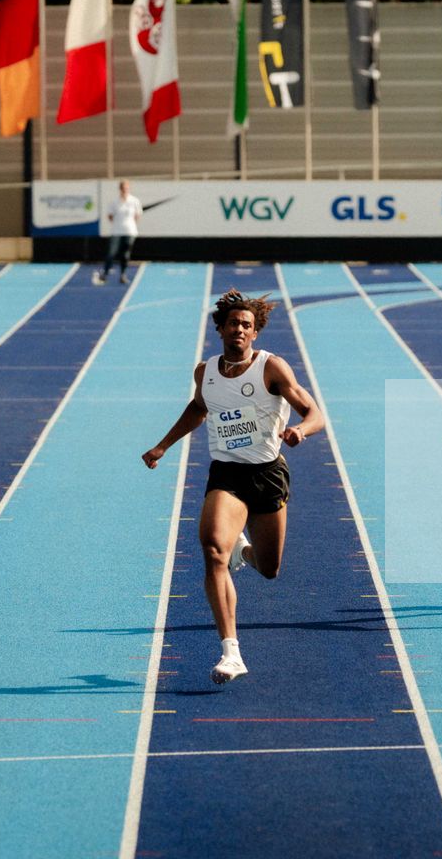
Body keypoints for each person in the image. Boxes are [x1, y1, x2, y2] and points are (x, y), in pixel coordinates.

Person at [141, 289, 326, 685]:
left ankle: (246, 551)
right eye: (233, 324)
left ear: (254, 332)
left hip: (267, 474)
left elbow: (315, 412)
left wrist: (300, 430)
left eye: (246, 325)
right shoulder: (204, 371)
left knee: (270, 568)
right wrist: (163, 445)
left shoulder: (272, 368)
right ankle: (231, 652)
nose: (239, 330)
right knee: (211, 550)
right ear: (221, 329)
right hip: (226, 474)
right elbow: (198, 408)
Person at [95, 179, 143, 286]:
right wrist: (118, 224)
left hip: (130, 231)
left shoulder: (134, 201)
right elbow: (110, 216)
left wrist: (130, 225)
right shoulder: (114, 202)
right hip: (117, 231)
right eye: (123, 188)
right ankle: (105, 274)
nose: (125, 190)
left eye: (126, 188)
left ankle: (122, 275)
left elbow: (137, 216)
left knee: (125, 254)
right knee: (111, 253)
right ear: (120, 189)